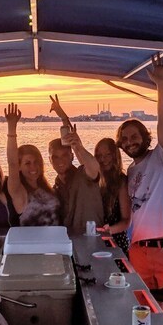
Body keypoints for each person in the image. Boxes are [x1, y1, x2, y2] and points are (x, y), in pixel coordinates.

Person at [118, 55, 163, 325]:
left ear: (145, 137)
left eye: (134, 136)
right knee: (143, 310)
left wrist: (162, 85)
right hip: (139, 251)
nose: (130, 142)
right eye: (124, 139)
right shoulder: (130, 171)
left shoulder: (162, 157)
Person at [48, 95, 104, 236]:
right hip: (67, 242)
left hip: (92, 241)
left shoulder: (84, 175)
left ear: (72, 156)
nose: (60, 160)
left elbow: (94, 167)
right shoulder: (55, 188)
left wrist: (78, 146)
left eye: (65, 155)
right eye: (55, 157)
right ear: (50, 160)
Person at [5, 103, 61, 226]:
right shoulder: (19, 191)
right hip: (30, 239)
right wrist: (12, 128)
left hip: (56, 238)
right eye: (27, 163)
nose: (33, 167)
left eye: (36, 162)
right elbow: (12, 163)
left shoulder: (46, 189)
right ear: (19, 167)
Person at [95, 137, 131, 256]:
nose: (103, 159)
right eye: (99, 155)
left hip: (116, 241)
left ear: (115, 156)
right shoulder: (95, 180)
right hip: (96, 239)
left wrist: (109, 230)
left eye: (108, 155)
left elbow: (126, 220)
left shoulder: (121, 181)